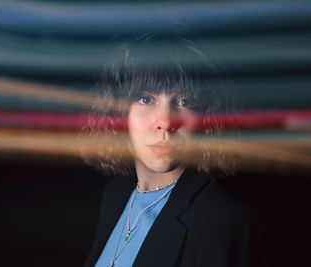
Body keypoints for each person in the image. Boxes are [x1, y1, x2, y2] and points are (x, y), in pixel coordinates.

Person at [83, 33, 267, 267]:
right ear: (119, 114)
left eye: (184, 102)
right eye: (145, 99)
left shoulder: (223, 221)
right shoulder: (117, 193)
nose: (166, 122)